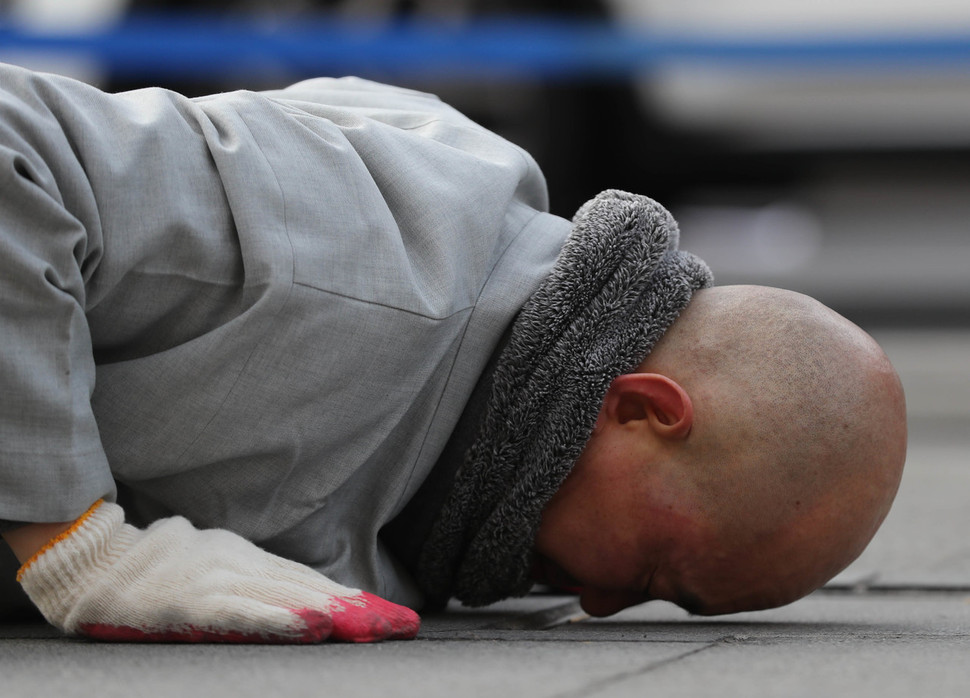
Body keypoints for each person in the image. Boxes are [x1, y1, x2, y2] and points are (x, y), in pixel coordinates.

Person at [0, 62, 907, 643]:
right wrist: (78, 544)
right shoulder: (356, 257)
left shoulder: (468, 450)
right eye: (654, 575)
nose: (598, 605)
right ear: (644, 408)